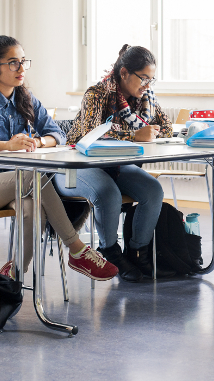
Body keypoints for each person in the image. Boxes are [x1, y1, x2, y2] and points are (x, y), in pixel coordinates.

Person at [0, 35, 118, 282]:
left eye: (22, 62)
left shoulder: (25, 98)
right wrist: (7, 145)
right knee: (32, 176)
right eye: (12, 63)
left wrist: (38, 141)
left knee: (33, 210)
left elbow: (58, 135)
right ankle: (76, 249)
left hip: (12, 185)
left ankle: (12, 278)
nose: (21, 69)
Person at [55, 44, 174, 282]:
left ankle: (137, 253)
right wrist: (133, 135)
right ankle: (110, 252)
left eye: (152, 79)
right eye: (143, 78)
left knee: (153, 190)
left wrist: (150, 133)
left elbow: (167, 127)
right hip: (76, 166)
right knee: (108, 194)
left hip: (114, 165)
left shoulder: (146, 98)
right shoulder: (96, 94)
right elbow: (90, 134)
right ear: (124, 73)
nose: (147, 85)